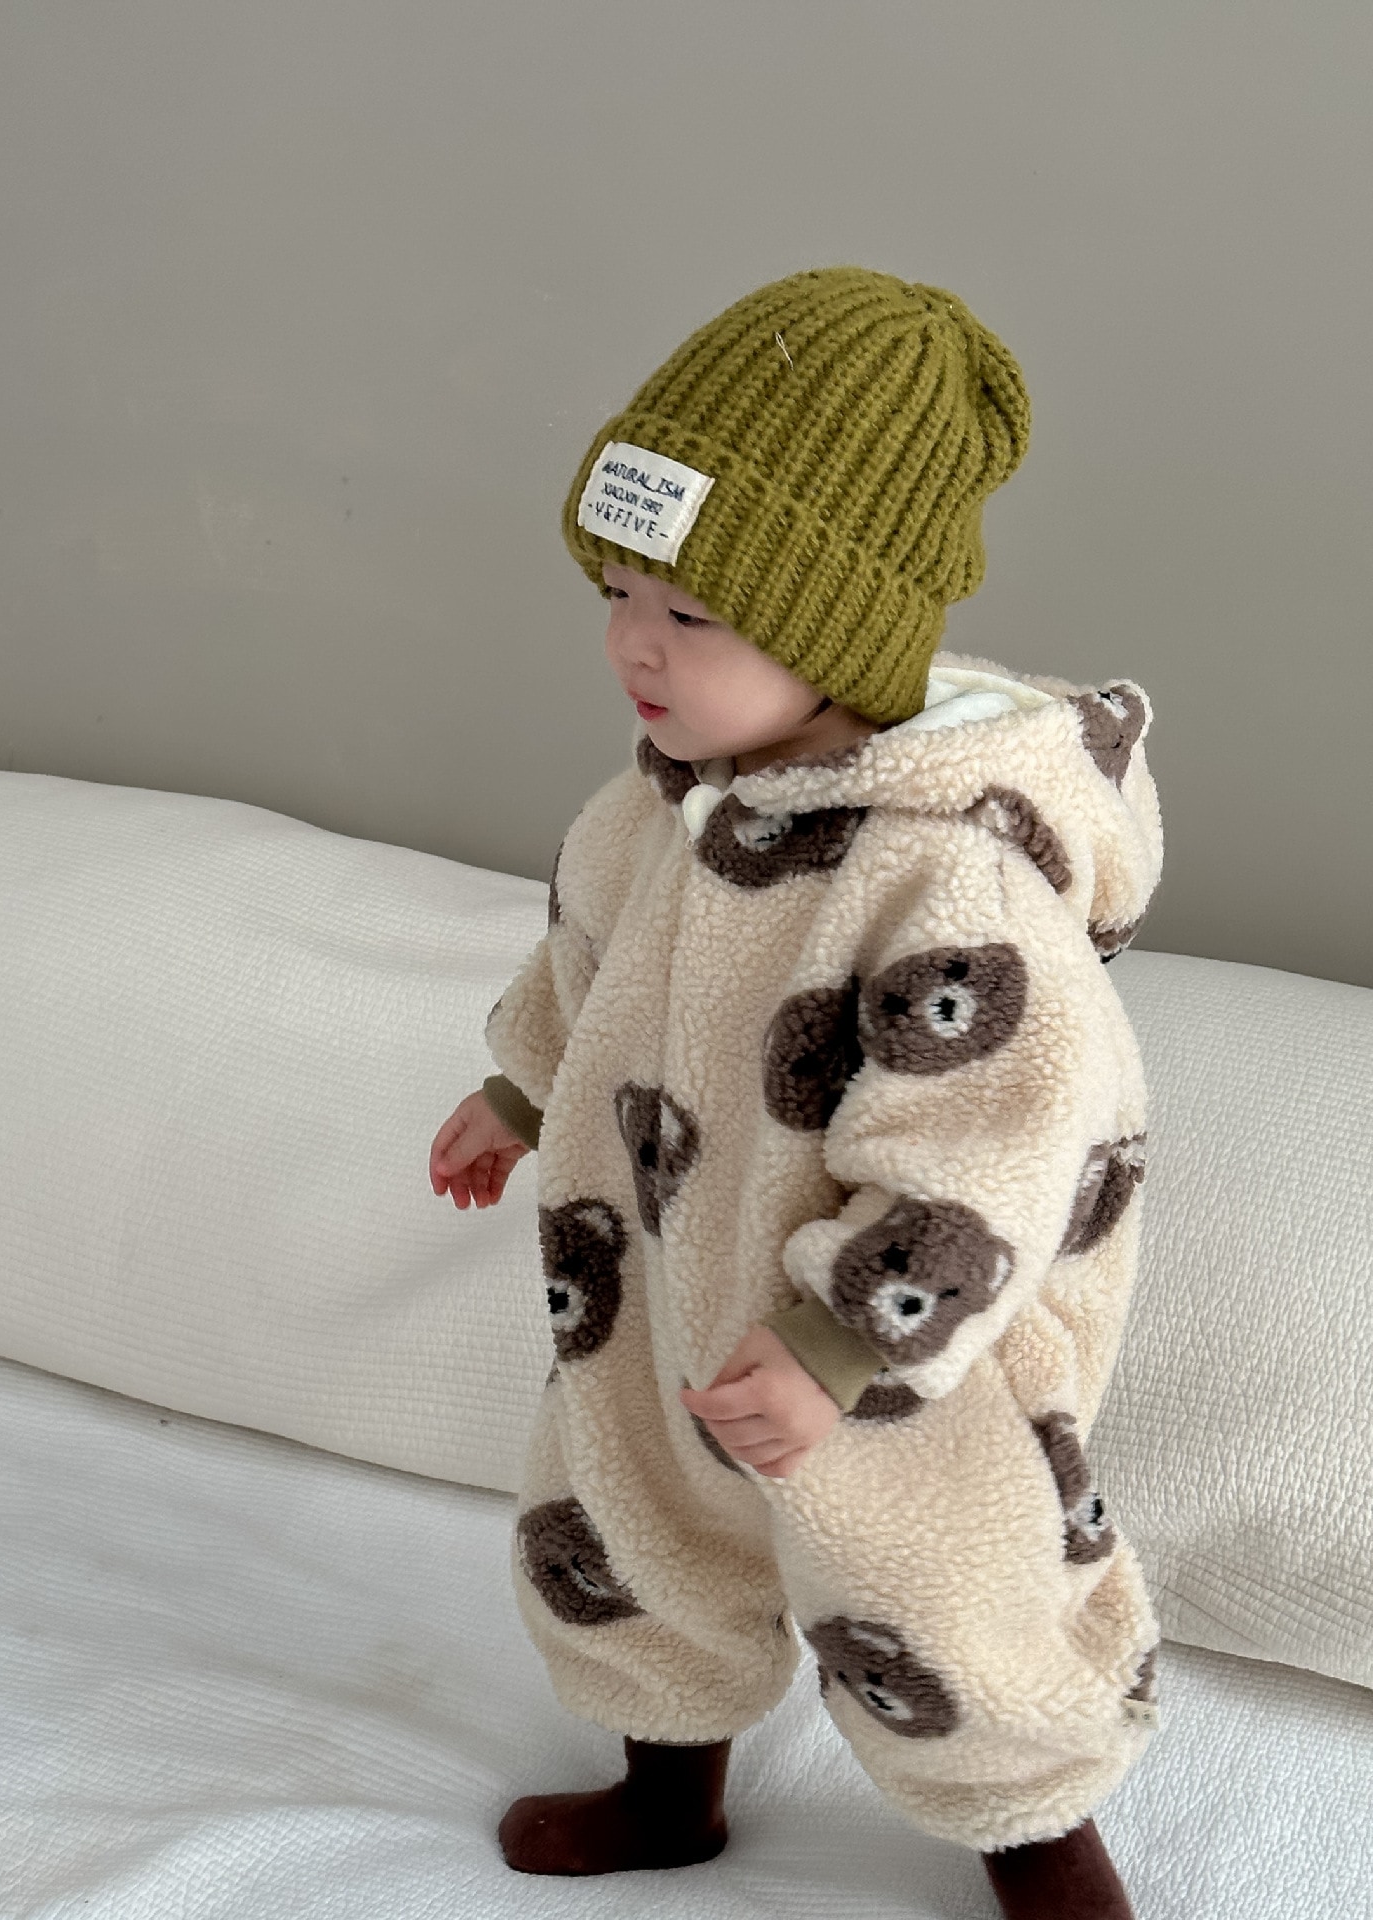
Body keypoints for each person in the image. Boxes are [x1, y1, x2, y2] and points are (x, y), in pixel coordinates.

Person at [426, 267, 1162, 1920]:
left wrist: (843, 1342)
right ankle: (665, 1792)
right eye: (617, 590)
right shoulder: (654, 809)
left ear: (835, 635)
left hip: (891, 1350)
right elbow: (590, 964)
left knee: (948, 1594)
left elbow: (993, 1133)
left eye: (691, 616)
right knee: (634, 1529)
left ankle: (1046, 1856)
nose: (632, 643)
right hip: (657, 1282)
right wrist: (520, 1091)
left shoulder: (945, 874)